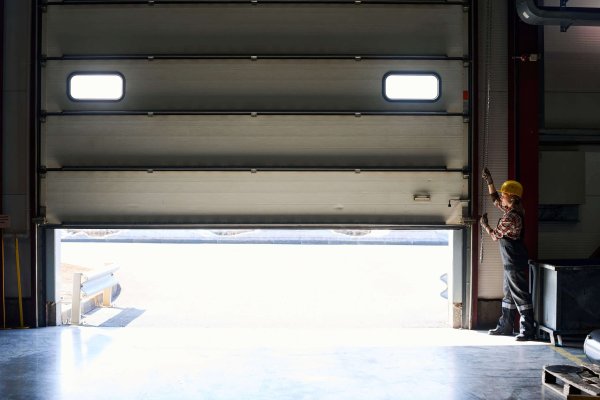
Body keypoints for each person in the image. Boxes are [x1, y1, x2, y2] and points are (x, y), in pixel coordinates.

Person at [480, 167, 536, 341]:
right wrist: (489, 181)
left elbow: (495, 236)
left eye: (504, 194)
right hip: (510, 262)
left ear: (512, 198)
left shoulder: (511, 217)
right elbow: (495, 199)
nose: (501, 196)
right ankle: (505, 325)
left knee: (519, 294)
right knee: (509, 295)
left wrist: (485, 225)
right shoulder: (513, 211)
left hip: (514, 261)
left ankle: (527, 330)